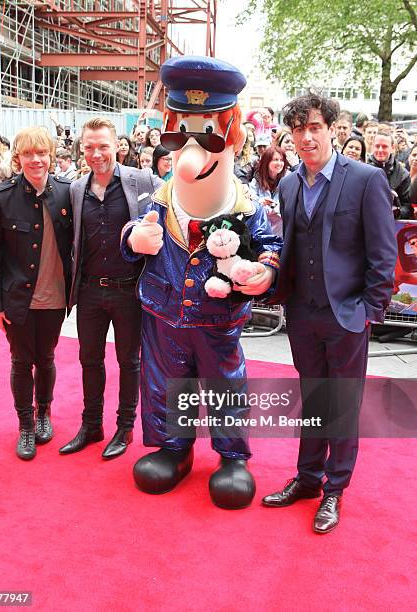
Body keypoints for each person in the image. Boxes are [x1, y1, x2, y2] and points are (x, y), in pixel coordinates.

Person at [121, 56, 282, 510]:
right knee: (166, 381)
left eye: (207, 134)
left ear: (230, 134)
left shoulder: (246, 203)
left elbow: (269, 244)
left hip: (217, 317)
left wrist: (263, 272)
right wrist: (135, 238)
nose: (191, 151)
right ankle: (174, 447)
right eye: (181, 134)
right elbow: (134, 232)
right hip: (165, 311)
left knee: (224, 382)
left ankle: (232, 456)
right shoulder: (161, 195)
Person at [261, 93, 397, 533]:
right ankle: (307, 478)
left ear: (332, 129)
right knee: (314, 399)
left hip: (347, 315)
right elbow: (290, 246)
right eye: (298, 130)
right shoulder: (288, 184)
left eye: (314, 127)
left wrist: (368, 312)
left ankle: (335, 489)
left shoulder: (365, 179)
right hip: (302, 314)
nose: (306, 137)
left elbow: (382, 254)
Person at [59, 118, 162, 459]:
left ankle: (125, 427)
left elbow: (177, 199)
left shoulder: (141, 179)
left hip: (129, 290)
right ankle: (91, 425)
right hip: (88, 290)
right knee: (89, 359)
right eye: (88, 147)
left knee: (129, 361)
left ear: (117, 145)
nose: (95, 153)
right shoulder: (76, 189)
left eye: (102, 146)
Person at [0, 127, 73, 460]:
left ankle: (44, 413)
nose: (36, 160)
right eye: (28, 154)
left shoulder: (67, 193)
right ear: (17, 158)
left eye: (42, 153)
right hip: (16, 298)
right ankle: (25, 425)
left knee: (45, 359)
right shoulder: (1, 198)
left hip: (54, 297)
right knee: (21, 362)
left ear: (51, 155)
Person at [368, 130, 412, 218]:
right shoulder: (362, 168)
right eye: (377, 146)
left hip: (392, 225)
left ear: (392, 148)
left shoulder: (402, 174)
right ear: (373, 147)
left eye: (384, 147)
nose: (380, 150)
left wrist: (396, 211)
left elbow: (407, 207)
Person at [250, 144, 289, 235]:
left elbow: (290, 206)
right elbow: (251, 201)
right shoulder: (257, 179)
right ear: (266, 162)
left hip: (282, 229)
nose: (279, 163)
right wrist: (260, 202)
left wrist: (274, 207)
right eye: (275, 160)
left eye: (282, 160)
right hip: (261, 228)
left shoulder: (289, 179)